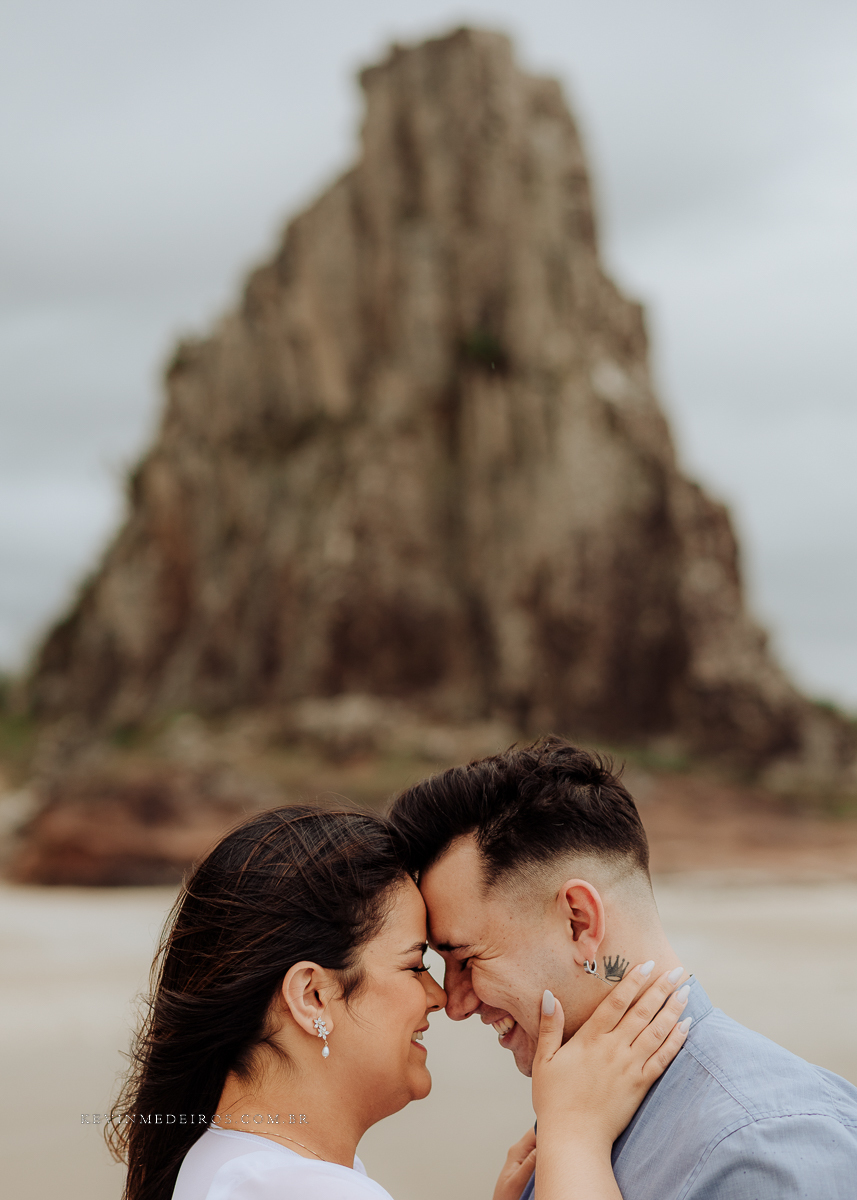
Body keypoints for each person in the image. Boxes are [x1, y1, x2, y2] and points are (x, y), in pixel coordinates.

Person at [107, 804, 690, 1200]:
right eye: (415, 965)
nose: (442, 998)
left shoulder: (244, 1167)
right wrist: (576, 1135)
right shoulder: (293, 1189)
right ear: (312, 995)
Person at [387, 736, 857, 1200]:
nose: (455, 1004)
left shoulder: (766, 1148)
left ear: (579, 921)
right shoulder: (573, 1110)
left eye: (466, 960)